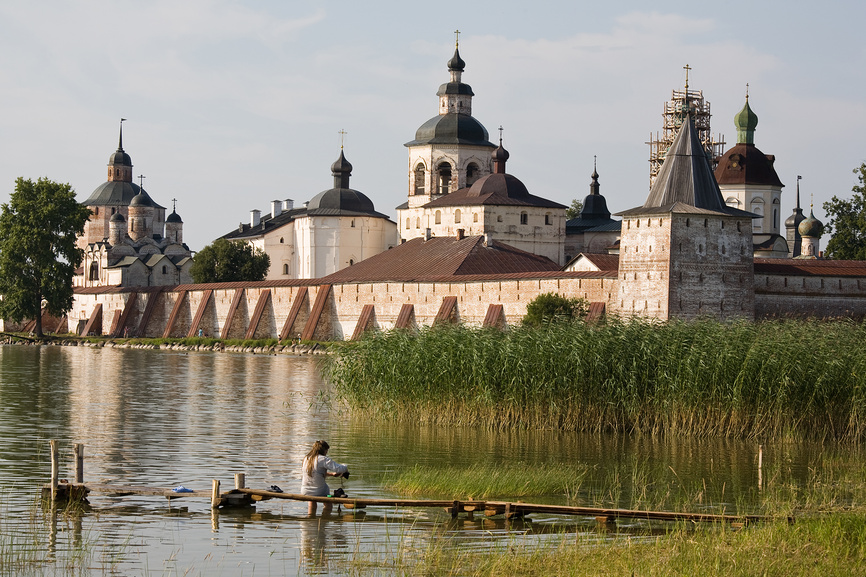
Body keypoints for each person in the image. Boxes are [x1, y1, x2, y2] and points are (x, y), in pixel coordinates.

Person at [301, 440, 348, 515]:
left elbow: (315, 474)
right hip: (319, 491)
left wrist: (331, 474)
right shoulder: (323, 459)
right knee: (328, 502)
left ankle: (310, 518)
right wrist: (346, 467)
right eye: (327, 451)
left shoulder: (306, 458)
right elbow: (340, 468)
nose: (326, 453)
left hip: (305, 491)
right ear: (324, 450)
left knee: (311, 500)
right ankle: (325, 518)